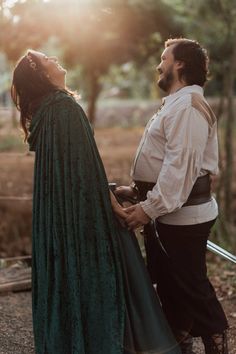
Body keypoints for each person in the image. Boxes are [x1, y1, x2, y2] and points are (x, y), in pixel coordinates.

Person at [11, 50, 181, 354]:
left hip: (61, 210)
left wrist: (113, 191)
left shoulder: (47, 112)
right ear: (40, 73)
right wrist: (116, 208)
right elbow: (87, 170)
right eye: (46, 57)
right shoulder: (64, 109)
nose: (54, 57)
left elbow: (75, 169)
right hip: (82, 214)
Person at [115, 38, 228, 354]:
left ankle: (218, 347)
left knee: (192, 288)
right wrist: (138, 193)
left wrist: (148, 208)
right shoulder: (177, 104)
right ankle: (181, 348)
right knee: (171, 289)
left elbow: (180, 169)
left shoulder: (189, 108)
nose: (159, 63)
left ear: (180, 64)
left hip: (182, 215)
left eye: (164, 57)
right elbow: (166, 162)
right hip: (168, 213)